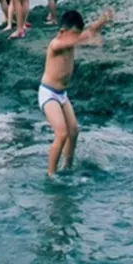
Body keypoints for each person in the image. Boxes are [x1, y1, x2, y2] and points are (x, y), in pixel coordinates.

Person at [39, 9, 114, 177]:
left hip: (61, 95)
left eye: (77, 35)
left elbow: (89, 31)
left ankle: (67, 166)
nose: (75, 39)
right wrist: (86, 39)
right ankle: (50, 174)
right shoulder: (56, 44)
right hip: (48, 93)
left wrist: (102, 21)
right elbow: (72, 41)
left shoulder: (70, 40)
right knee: (62, 133)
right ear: (62, 32)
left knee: (73, 131)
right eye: (72, 35)